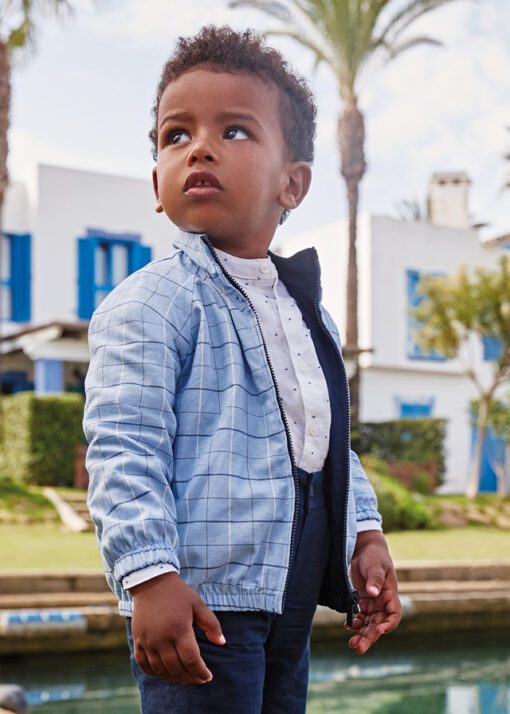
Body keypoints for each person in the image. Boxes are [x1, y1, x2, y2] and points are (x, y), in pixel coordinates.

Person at [83, 25, 401, 714]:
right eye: (176, 135)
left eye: (233, 131)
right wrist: (149, 576)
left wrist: (365, 533)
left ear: (293, 184)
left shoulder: (311, 316)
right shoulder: (151, 303)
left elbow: (327, 443)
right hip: (200, 607)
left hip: (288, 600)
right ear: (158, 184)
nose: (198, 148)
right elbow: (124, 447)